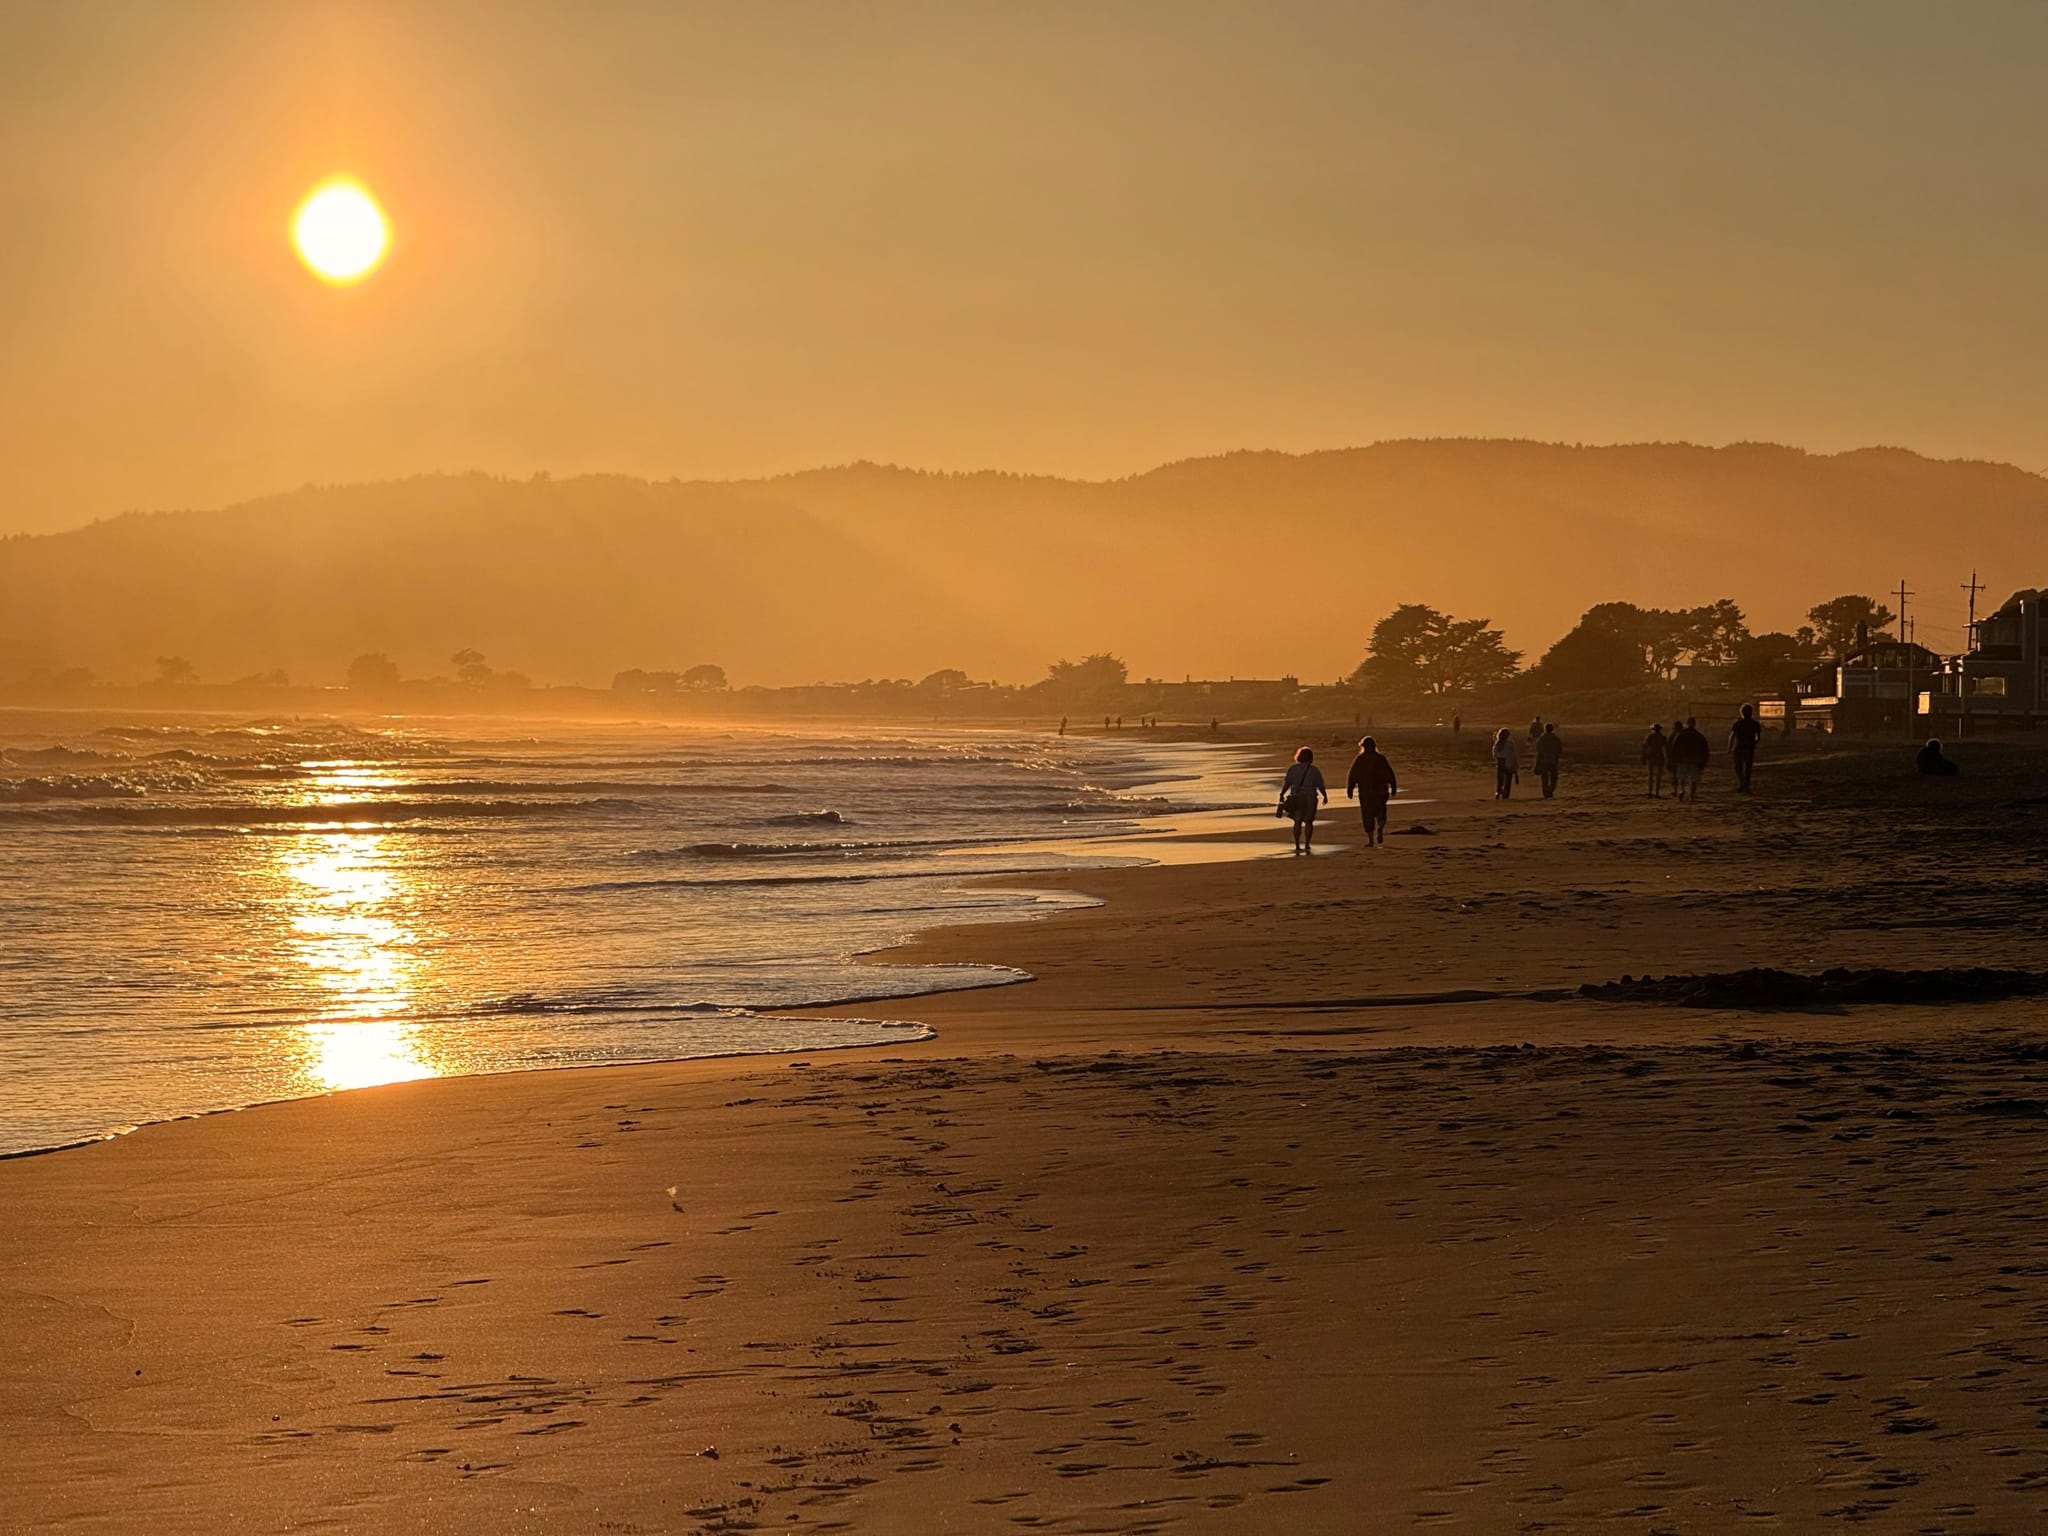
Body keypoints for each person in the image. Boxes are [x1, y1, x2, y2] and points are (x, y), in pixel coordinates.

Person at [1346, 735, 1399, 846]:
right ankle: (1380, 828)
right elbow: (1390, 773)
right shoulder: (1381, 758)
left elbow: (1352, 775)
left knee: (1367, 815)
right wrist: (1393, 787)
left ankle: (1371, 840)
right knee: (1381, 812)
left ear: (1363, 747)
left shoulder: (1360, 759)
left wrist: (1350, 789)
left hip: (1366, 792)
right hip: (1381, 791)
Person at [1277, 746, 1329, 853]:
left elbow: (1287, 783)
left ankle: (1297, 845)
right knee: (1309, 822)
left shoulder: (1293, 769)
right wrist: (1324, 795)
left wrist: (1282, 794)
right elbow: (1320, 784)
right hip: (1310, 797)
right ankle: (1307, 844)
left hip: (1297, 797)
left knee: (1297, 821)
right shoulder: (1314, 770)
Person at [1671, 716, 1710, 801]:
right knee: (1693, 779)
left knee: (1682, 777)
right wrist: (1703, 761)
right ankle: (1691, 795)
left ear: (1687, 723)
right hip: (1695, 760)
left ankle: (1682, 790)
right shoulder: (1699, 735)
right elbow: (1704, 749)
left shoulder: (1681, 734)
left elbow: (1675, 746)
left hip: (1682, 759)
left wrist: (1674, 758)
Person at [1728, 703, 1763, 793]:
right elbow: (1758, 737)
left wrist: (1729, 747)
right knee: (1748, 768)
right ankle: (1745, 785)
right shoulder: (1755, 724)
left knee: (1738, 767)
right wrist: (1753, 743)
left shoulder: (1738, 723)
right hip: (1749, 748)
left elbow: (1732, 736)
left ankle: (1742, 783)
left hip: (1739, 747)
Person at [1534, 722, 1563, 798]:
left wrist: (1537, 763)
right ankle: (1550, 790)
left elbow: (1539, 751)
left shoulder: (1541, 739)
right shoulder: (1556, 739)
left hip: (1543, 760)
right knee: (1554, 777)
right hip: (1553, 760)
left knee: (1544, 778)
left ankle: (1546, 792)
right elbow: (1559, 750)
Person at [1641, 722, 1669, 798]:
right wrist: (1667, 758)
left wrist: (1644, 757)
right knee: (1658, 776)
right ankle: (1657, 792)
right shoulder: (1663, 737)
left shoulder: (1649, 736)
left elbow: (1644, 747)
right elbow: (1666, 749)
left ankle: (1650, 791)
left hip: (1651, 757)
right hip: (1659, 757)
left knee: (1651, 775)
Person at [1492, 728, 1520, 799]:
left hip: (1500, 762)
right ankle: (1505, 794)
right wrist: (1515, 764)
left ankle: (1498, 792)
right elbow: (1514, 755)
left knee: (1500, 779)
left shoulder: (1497, 744)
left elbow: (1495, 754)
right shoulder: (1510, 744)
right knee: (1507, 780)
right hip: (1508, 762)